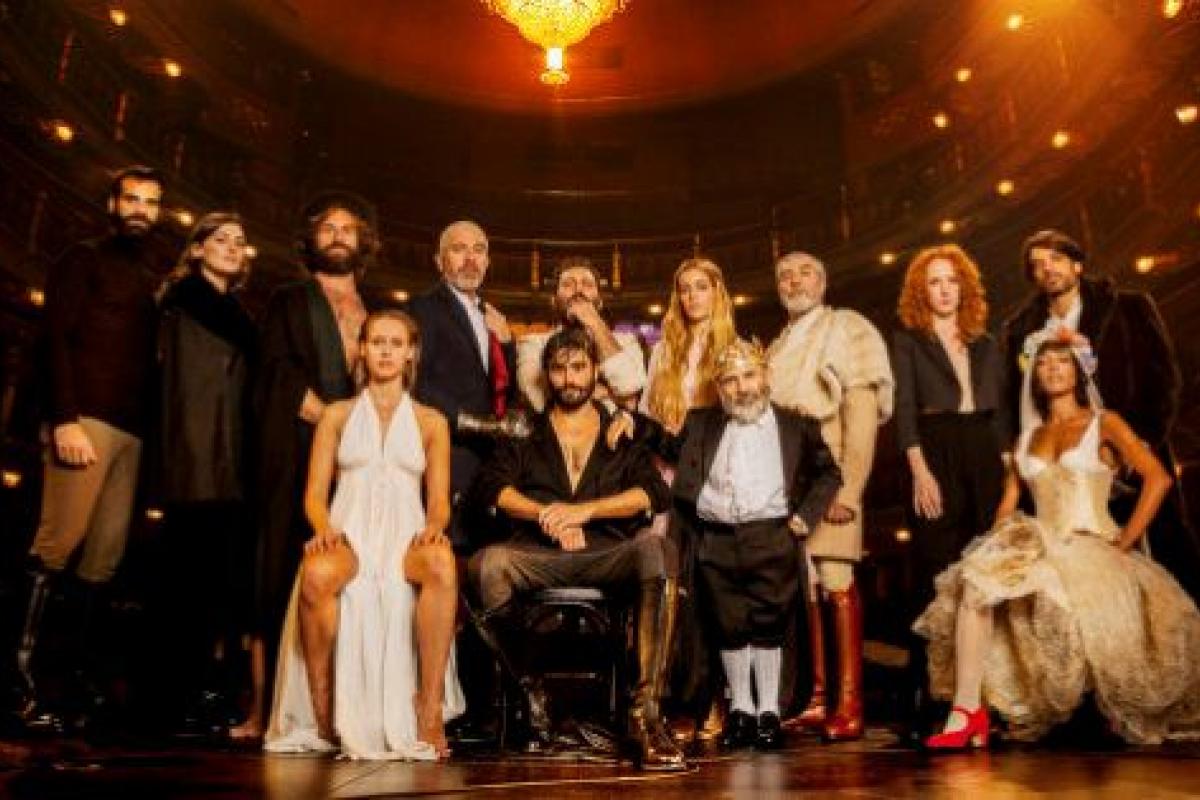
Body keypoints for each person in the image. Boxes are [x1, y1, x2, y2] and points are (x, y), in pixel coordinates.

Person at [916, 337, 1200, 748]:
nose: (1052, 368)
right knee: (975, 585)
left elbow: (1157, 478)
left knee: (1062, 603)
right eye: (1044, 362)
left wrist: (1126, 539)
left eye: (1062, 361)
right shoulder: (1026, 438)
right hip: (1040, 542)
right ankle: (966, 713)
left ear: (1078, 372)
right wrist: (994, 547)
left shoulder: (1104, 423)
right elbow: (1008, 503)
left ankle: (1093, 708)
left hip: (1091, 544)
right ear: (1035, 375)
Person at [467, 327, 685, 771]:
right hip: (539, 554)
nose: (569, 378)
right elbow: (490, 488)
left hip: (606, 552)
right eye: (559, 368)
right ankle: (533, 695)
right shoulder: (525, 428)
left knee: (658, 551)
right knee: (487, 565)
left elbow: (653, 494)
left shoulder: (620, 429)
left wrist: (584, 512)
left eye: (579, 367)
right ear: (547, 374)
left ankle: (646, 716)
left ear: (594, 371)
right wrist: (547, 515)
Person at [264, 310, 464, 759]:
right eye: (377, 342)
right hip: (349, 533)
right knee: (317, 573)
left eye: (396, 343)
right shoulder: (336, 415)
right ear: (362, 349)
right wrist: (323, 529)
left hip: (405, 538)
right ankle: (322, 708)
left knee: (441, 562)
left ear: (411, 353)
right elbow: (315, 494)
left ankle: (429, 709)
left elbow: (438, 501)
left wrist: (434, 529)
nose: (386, 352)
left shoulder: (431, 422)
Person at [15, 165, 165, 730]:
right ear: (112, 203)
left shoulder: (150, 274)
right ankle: (20, 685)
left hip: (132, 433)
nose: (140, 210)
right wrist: (64, 419)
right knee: (54, 547)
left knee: (103, 557)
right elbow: (54, 337)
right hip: (85, 420)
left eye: (150, 202)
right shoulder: (83, 257)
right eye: (132, 199)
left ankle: (68, 683)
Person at [641, 338, 843, 751]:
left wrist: (806, 516)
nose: (741, 388)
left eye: (749, 376)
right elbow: (666, 447)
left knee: (769, 623)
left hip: (772, 535)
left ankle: (768, 711)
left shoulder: (796, 426)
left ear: (766, 375)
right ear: (718, 387)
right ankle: (741, 710)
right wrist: (629, 421)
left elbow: (828, 474)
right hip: (715, 538)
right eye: (730, 381)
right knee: (728, 624)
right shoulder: (701, 423)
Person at [1001, 229, 1200, 603]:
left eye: (1056, 259)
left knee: (1164, 558)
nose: (1048, 269)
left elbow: (1165, 379)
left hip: (1127, 448)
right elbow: (1015, 399)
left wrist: (1142, 440)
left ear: (1077, 264)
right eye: (1038, 265)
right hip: (1063, 465)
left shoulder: (1128, 306)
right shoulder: (1021, 330)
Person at [242, 190, 378, 739]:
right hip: (295, 447)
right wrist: (331, 424)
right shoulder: (290, 299)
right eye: (329, 228)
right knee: (276, 569)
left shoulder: (373, 309)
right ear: (311, 239)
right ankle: (262, 708)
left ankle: (335, 709)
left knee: (347, 574)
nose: (339, 236)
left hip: (357, 458)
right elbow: (276, 372)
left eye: (349, 228)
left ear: (363, 242)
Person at [767, 251, 893, 741]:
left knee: (837, 580)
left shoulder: (848, 328)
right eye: (784, 275)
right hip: (788, 482)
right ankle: (817, 699)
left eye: (804, 273)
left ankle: (850, 704)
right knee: (808, 587)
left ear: (822, 282)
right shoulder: (778, 344)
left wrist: (851, 490)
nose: (793, 281)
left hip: (832, 476)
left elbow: (861, 415)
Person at [889, 244, 1006, 739]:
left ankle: (986, 699)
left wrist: (1007, 475)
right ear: (922, 290)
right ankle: (932, 698)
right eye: (934, 281)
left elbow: (1000, 414)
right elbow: (904, 409)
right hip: (934, 450)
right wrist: (920, 470)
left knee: (987, 573)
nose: (943, 290)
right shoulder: (908, 341)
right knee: (936, 575)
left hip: (984, 450)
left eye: (951, 280)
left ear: (965, 287)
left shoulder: (986, 342)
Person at [155, 212, 257, 732]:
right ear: (197, 249)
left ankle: (195, 694)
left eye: (239, 242)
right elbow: (186, 392)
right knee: (185, 584)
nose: (232, 248)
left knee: (212, 587)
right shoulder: (186, 301)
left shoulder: (231, 310)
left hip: (224, 460)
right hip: (195, 458)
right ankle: (171, 700)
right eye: (221, 240)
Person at [407, 220, 518, 551]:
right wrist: (472, 423)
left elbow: (503, 389)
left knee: (485, 557)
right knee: (446, 552)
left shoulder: (491, 314)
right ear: (439, 261)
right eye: (459, 249)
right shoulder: (423, 307)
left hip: (490, 462)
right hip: (447, 453)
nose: (470, 259)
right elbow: (415, 382)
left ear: (487, 261)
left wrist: (507, 345)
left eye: (478, 250)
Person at [516, 257, 646, 413]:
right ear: (554, 301)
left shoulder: (626, 342)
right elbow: (538, 399)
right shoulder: (533, 343)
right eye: (568, 284)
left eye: (588, 284)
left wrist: (595, 323)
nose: (578, 290)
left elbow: (629, 386)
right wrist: (613, 395)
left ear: (599, 302)